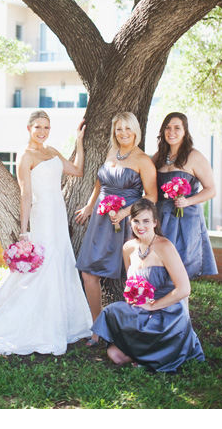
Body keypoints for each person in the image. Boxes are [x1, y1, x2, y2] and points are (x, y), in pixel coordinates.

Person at [0, 112, 92, 354]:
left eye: (46, 127)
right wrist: (24, 231)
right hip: (42, 215)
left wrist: (79, 142)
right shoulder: (25, 156)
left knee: (61, 260)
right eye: (38, 126)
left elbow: (77, 171)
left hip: (58, 214)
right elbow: (26, 194)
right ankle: (28, 319)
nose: (42, 131)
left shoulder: (53, 151)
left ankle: (62, 318)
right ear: (29, 128)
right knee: (43, 264)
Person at [91, 199, 205, 371]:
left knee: (124, 352)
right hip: (141, 309)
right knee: (115, 350)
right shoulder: (128, 248)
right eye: (136, 220)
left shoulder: (165, 246)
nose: (140, 226)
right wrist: (136, 301)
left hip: (167, 313)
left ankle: (152, 354)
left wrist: (154, 306)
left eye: (146, 221)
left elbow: (184, 289)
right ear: (130, 222)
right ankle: (142, 352)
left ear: (154, 223)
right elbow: (130, 284)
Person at [75, 111, 157, 345]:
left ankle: (133, 329)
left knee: (131, 277)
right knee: (88, 273)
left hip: (128, 222)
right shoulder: (112, 152)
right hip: (101, 221)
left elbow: (151, 196)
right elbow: (101, 182)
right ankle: (97, 326)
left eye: (128, 129)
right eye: (119, 129)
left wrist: (125, 212)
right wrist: (91, 205)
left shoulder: (143, 160)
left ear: (136, 132)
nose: (123, 133)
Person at [151, 112, 218, 279]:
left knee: (181, 269)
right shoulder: (159, 156)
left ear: (185, 132)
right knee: (159, 267)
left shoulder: (194, 156)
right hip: (161, 216)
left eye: (177, 128)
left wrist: (187, 201)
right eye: (167, 128)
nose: (171, 132)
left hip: (184, 219)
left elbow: (211, 189)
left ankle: (181, 305)